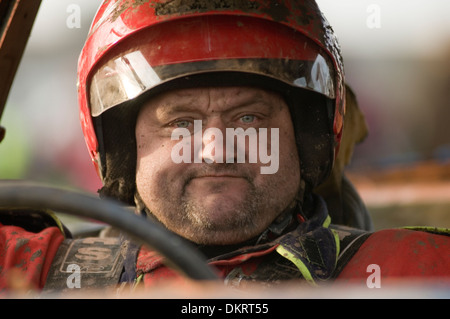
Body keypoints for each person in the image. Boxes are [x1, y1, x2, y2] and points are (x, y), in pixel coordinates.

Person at [0, 0, 449, 294]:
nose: (216, 151)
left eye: (248, 118)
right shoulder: (35, 272)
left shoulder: (414, 271)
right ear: (124, 150)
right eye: (181, 123)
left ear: (306, 140)